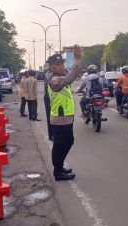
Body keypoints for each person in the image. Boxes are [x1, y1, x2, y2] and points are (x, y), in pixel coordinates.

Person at [46, 45, 82, 181]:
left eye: (61, 63)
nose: (61, 66)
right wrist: (77, 61)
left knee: (67, 142)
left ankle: (59, 167)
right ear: (51, 67)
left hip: (65, 118)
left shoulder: (59, 76)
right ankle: (58, 171)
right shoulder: (54, 79)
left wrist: (77, 63)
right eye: (57, 64)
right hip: (60, 119)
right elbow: (68, 79)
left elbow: (69, 77)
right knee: (60, 144)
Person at [44, 65, 53, 141]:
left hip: (58, 98)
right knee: (50, 117)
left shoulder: (62, 74)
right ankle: (52, 135)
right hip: (49, 97)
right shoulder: (48, 74)